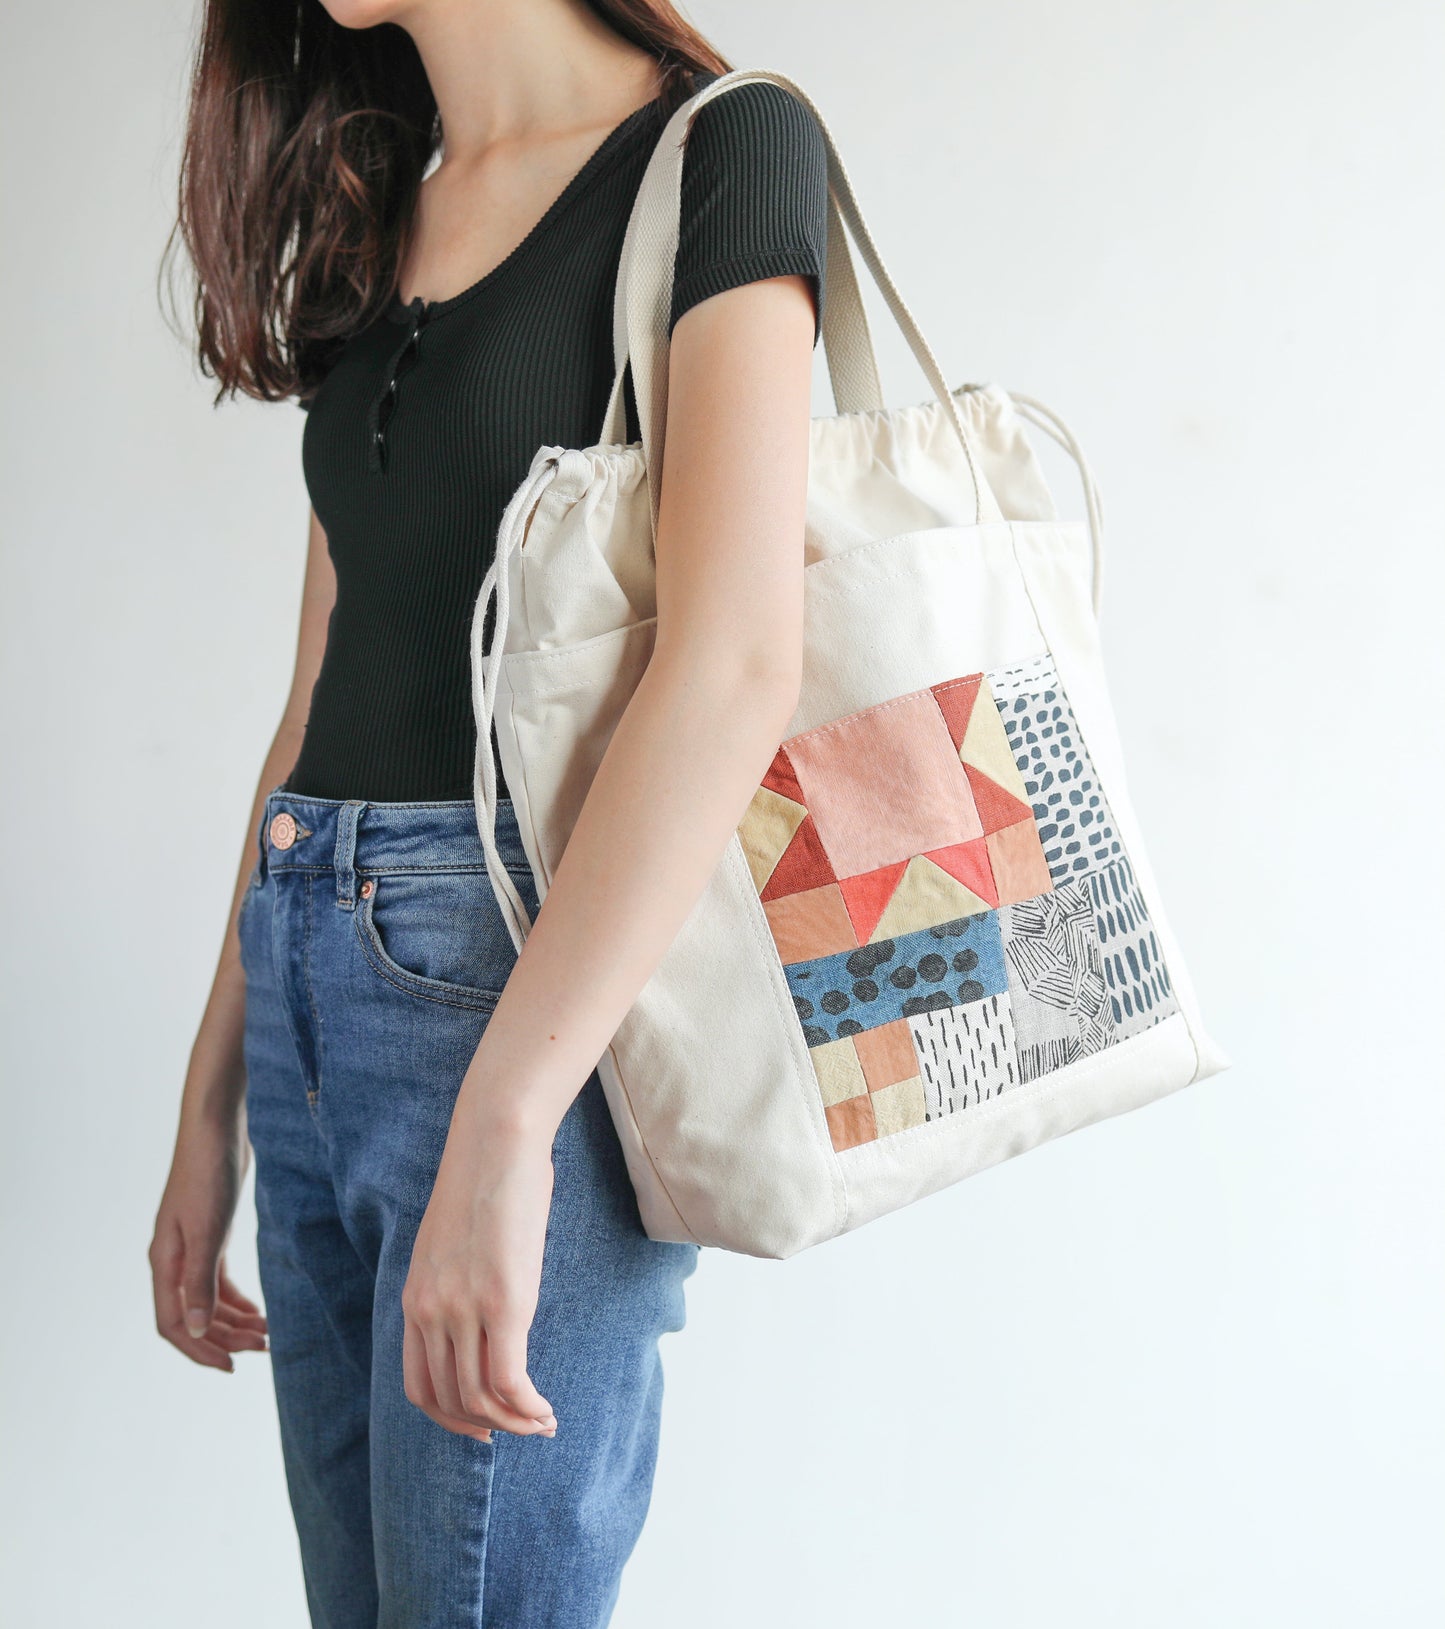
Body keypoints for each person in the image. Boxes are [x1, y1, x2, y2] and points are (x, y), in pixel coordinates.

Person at [148, 0, 827, 1621]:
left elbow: (732, 663)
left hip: (527, 983)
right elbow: (322, 675)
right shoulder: (382, 197)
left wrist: (509, 1120)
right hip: (309, 958)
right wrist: (213, 1090)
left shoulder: (721, 148)